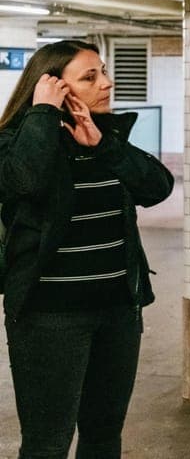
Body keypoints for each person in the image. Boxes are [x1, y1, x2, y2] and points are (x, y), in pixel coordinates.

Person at [0, 40, 174, 458]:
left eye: (104, 72)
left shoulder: (103, 139)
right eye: (90, 77)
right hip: (49, 317)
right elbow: (26, 181)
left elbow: (157, 187)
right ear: (54, 87)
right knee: (47, 443)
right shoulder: (12, 143)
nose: (107, 83)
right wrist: (43, 114)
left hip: (117, 312)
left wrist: (104, 145)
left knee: (103, 435)